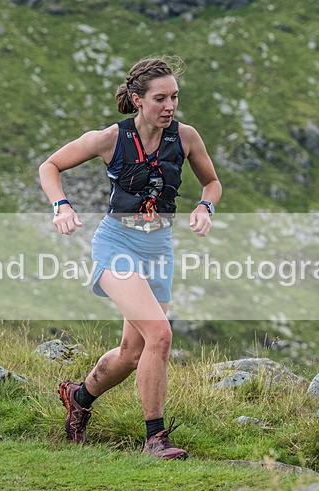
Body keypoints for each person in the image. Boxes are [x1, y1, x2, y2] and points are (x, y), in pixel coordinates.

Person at [38, 56, 222, 460]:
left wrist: (204, 208)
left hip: (159, 249)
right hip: (116, 244)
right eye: (160, 98)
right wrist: (61, 206)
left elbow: (211, 182)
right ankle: (155, 439)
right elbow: (49, 166)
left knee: (133, 352)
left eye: (174, 97)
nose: (169, 106)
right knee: (161, 335)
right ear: (137, 100)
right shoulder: (109, 139)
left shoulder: (186, 137)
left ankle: (78, 396)